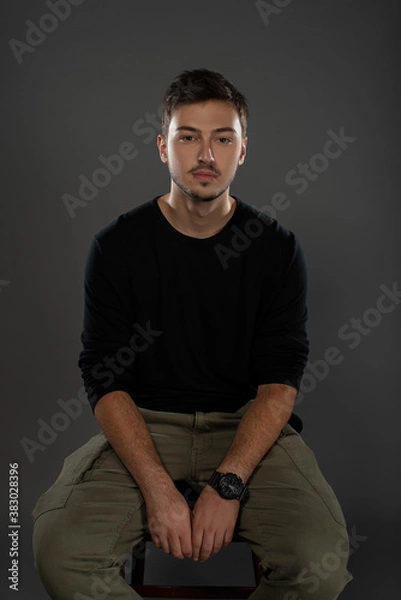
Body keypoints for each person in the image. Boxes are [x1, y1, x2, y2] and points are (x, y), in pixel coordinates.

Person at [31, 68, 353, 599]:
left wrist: (227, 486)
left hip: (248, 430)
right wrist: (158, 489)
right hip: (146, 426)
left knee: (319, 565)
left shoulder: (276, 249)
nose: (207, 154)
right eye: (189, 137)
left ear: (242, 151)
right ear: (163, 147)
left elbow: (279, 383)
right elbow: (104, 378)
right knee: (57, 551)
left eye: (223, 138)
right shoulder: (117, 246)